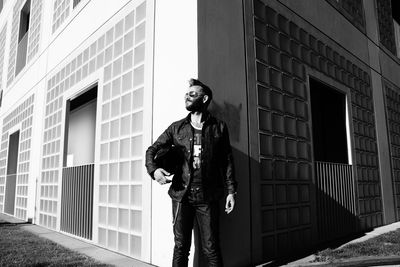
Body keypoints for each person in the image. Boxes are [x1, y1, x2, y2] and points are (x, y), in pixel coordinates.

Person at [145, 78, 237, 267]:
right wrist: (154, 171)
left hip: (208, 196)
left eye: (192, 94)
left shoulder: (219, 127)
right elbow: (151, 150)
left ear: (204, 99)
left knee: (211, 247)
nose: (187, 97)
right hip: (181, 196)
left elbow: (227, 160)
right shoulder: (176, 127)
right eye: (186, 94)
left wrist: (231, 191)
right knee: (181, 246)